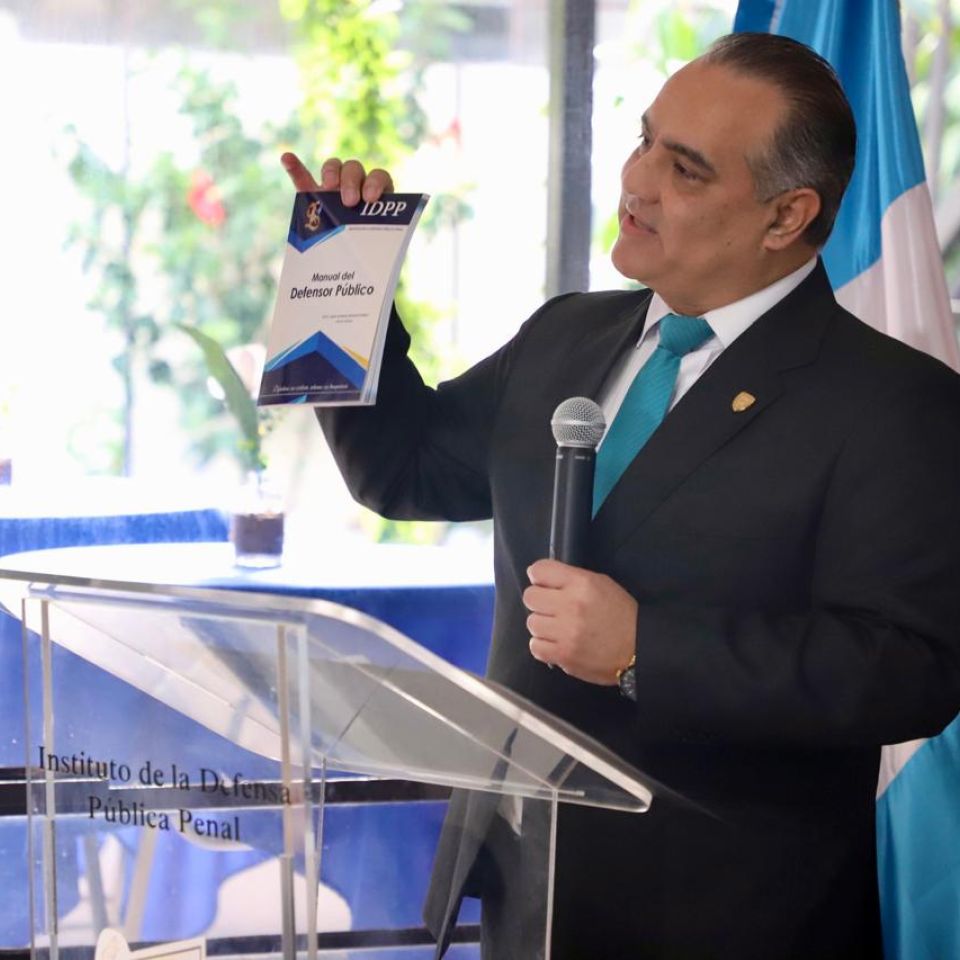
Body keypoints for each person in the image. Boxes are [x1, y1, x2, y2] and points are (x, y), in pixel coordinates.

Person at [282, 32, 960, 960]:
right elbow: (403, 471)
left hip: (734, 917)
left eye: (684, 169)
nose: (636, 180)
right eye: (644, 141)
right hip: (529, 889)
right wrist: (344, 285)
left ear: (786, 215)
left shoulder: (894, 403)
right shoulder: (567, 334)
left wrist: (646, 650)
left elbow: (907, 672)